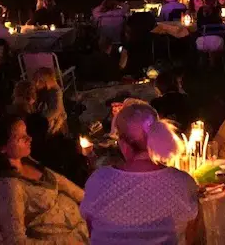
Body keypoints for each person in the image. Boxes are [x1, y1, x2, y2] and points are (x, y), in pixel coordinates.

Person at [80, 102, 200, 245]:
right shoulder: (183, 182)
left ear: (123, 144)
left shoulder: (98, 180)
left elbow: (90, 230)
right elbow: (192, 237)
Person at [0, 115, 88, 244]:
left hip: (84, 227)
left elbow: (66, 185)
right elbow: (16, 241)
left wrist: (94, 205)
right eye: (20, 138)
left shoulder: (29, 162)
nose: (29, 138)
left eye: (26, 133)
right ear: (2, 148)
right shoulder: (9, 187)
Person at [34, 67, 67, 135]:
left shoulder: (56, 92)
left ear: (47, 81)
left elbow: (55, 110)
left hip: (55, 123)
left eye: (40, 81)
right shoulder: (46, 91)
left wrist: (41, 120)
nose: (37, 84)